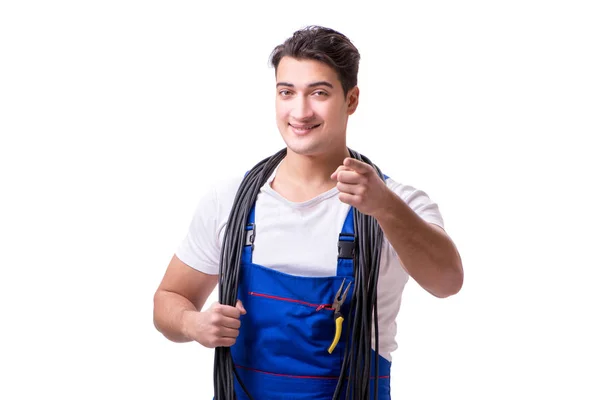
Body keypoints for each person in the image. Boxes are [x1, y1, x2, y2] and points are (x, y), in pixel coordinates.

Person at [153, 25, 463, 399]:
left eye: (319, 93)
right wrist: (193, 323)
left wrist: (383, 206)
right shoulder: (231, 200)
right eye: (287, 92)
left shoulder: (397, 202)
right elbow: (168, 298)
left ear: (351, 100)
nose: (300, 111)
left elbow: (448, 282)